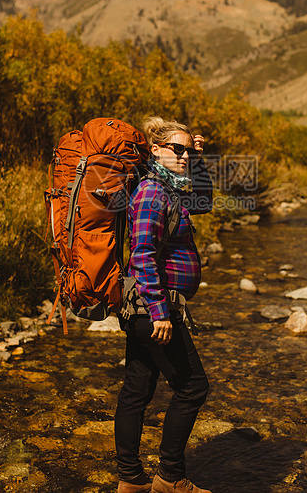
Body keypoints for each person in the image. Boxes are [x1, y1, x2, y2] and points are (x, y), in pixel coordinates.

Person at [115, 116, 214, 493]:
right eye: (178, 148)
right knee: (193, 388)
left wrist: (199, 160)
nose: (185, 155)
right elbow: (142, 254)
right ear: (155, 150)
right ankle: (169, 478)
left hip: (145, 309)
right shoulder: (152, 193)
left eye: (189, 149)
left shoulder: (171, 189)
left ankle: (131, 481)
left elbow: (203, 203)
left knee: (136, 390)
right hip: (153, 310)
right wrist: (159, 312)